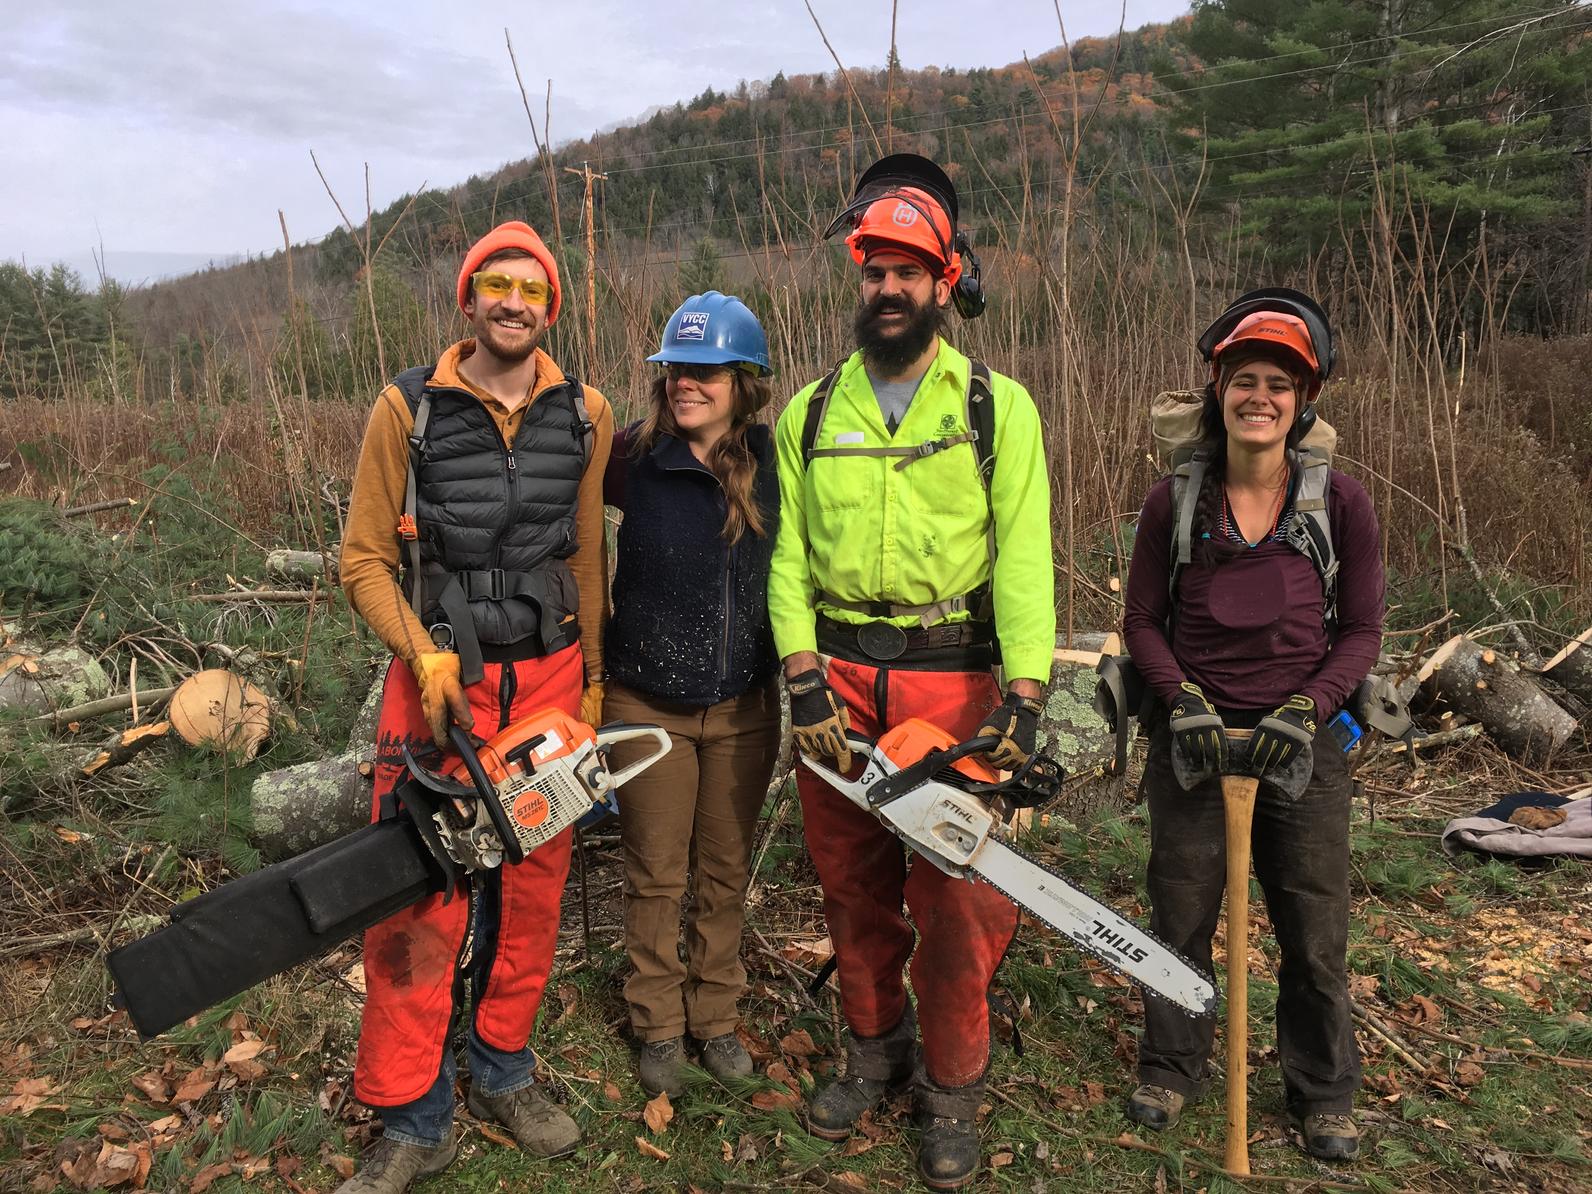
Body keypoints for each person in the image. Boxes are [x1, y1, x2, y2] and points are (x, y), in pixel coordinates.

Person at [767, 154, 1055, 1191]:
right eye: (872, 270)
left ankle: (950, 1085)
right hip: (839, 679)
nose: (887, 288)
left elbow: (1023, 560)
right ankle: (869, 1046)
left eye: (907, 271)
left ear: (944, 282)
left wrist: (1025, 698)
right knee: (850, 886)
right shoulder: (808, 412)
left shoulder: (992, 406)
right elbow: (786, 561)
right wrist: (798, 673)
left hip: (952, 679)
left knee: (956, 894)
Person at [336, 220, 614, 1192]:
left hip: (547, 679)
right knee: (415, 895)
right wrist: (420, 654)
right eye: (494, 285)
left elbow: (584, 555)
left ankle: (502, 1067)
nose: (511, 302)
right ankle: (416, 1116)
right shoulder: (406, 409)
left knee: (530, 891)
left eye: (529, 289)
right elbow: (363, 560)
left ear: (550, 307)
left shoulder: (585, 412)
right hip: (436, 690)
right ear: (468, 298)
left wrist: (593, 681)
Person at [1120, 291, 1384, 1162]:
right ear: (1218, 390)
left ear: (1303, 399)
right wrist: (1181, 698)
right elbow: (1144, 620)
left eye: (1278, 382)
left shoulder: (1339, 504)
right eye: (1243, 380)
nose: (1259, 396)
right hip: (1193, 745)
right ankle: (1169, 1062)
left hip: (1301, 748)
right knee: (1182, 914)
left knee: (1313, 926)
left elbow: (1363, 630)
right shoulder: (1177, 502)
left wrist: (1309, 707)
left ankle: (1322, 1090)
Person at [599, 292, 782, 1096]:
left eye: (705, 372)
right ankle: (658, 1024)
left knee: (724, 870)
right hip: (646, 703)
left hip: (745, 705)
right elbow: (558, 517)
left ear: (744, 382)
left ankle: (715, 1017)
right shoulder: (633, 457)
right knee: (655, 871)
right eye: (677, 369)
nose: (686, 384)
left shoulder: (778, 464)